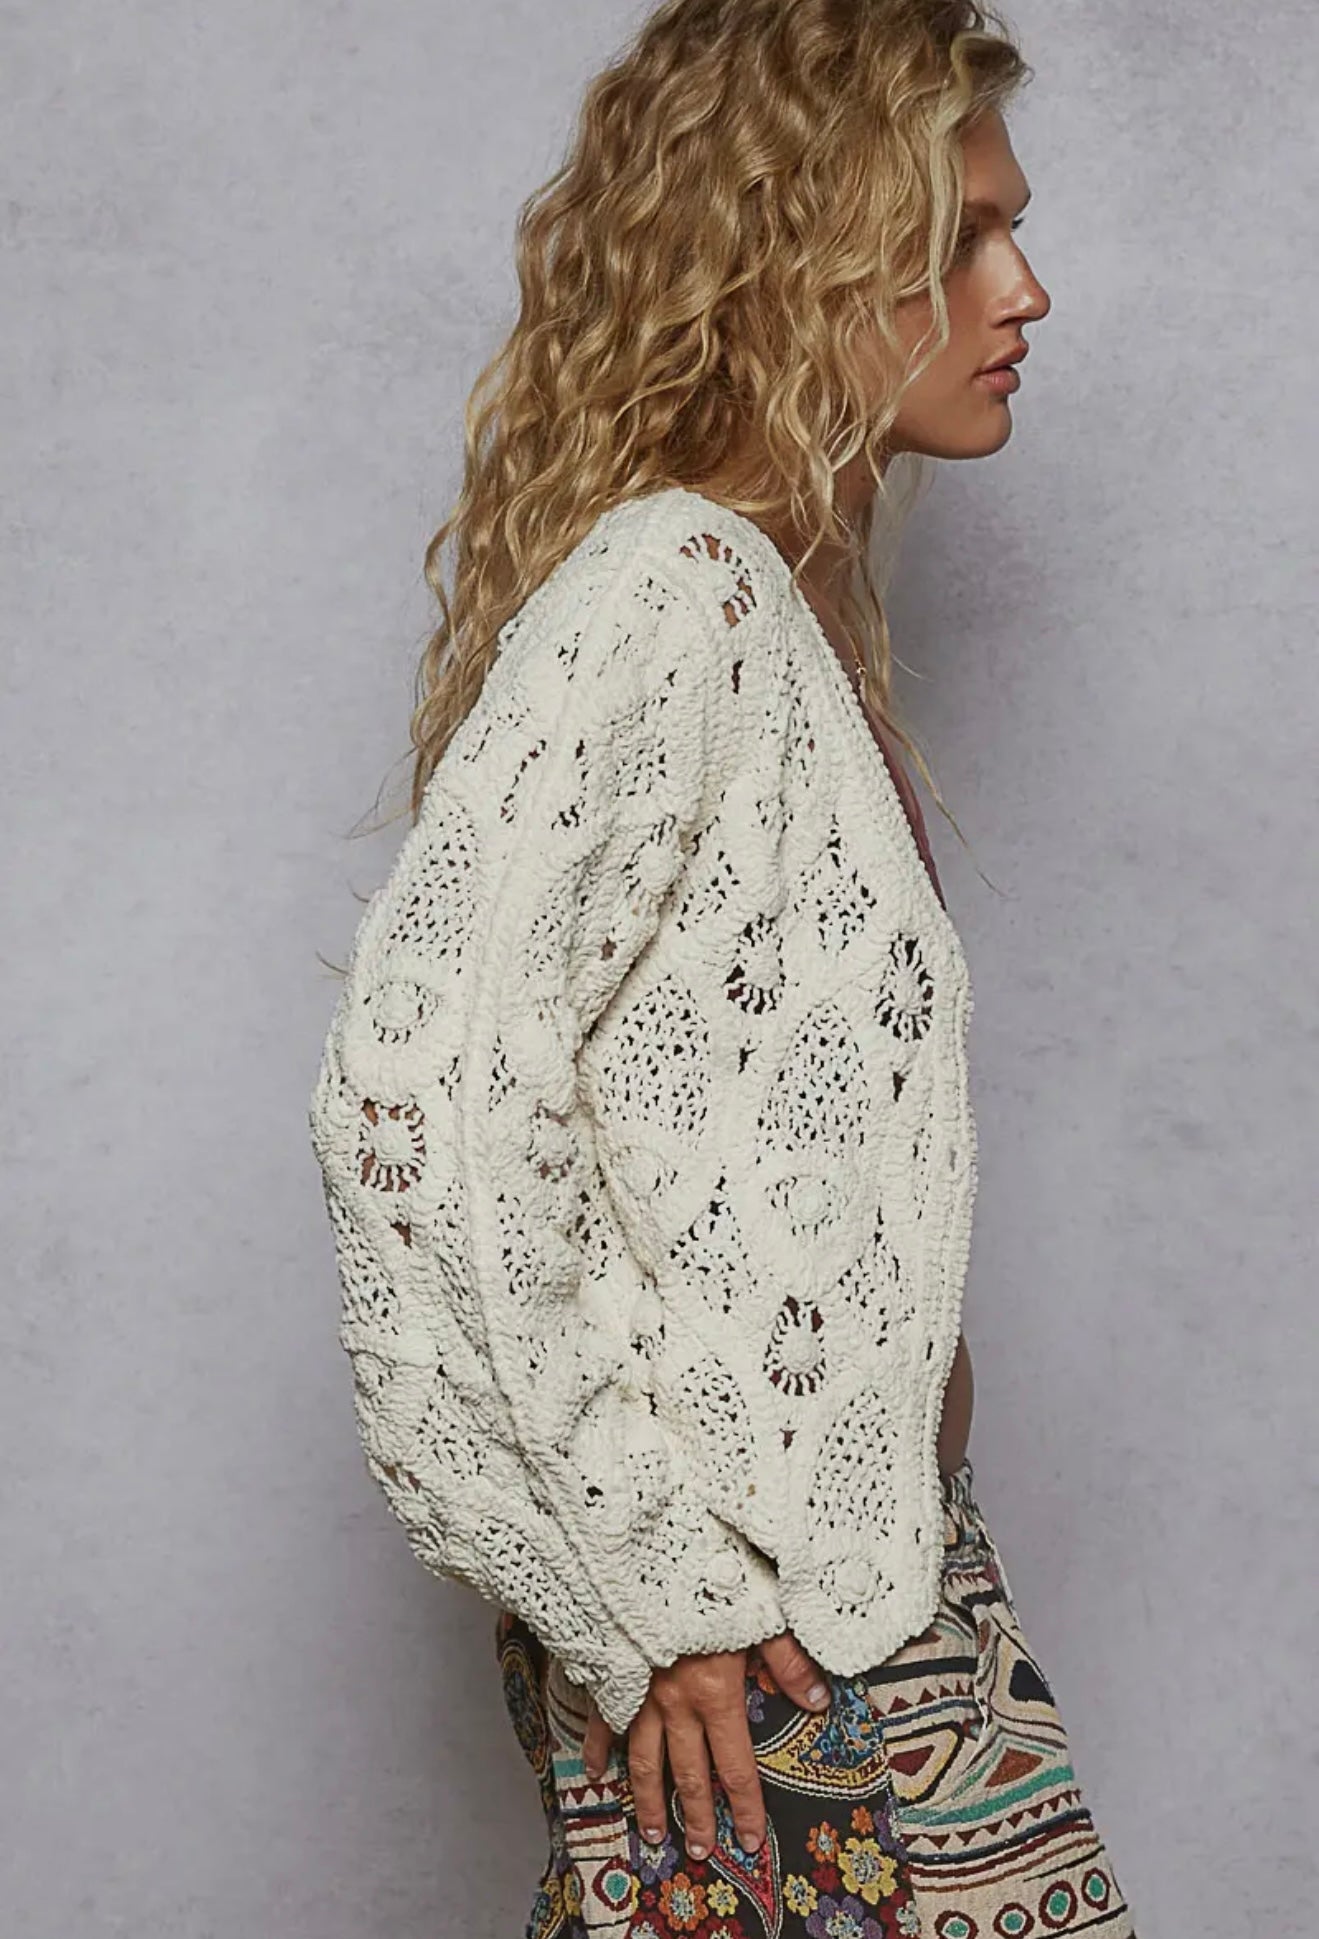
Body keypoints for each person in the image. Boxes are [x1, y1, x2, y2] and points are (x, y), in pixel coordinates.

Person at [307, 2, 1138, 1934]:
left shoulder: (771, 600)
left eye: (1012, 230)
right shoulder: (671, 597)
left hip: (854, 1580)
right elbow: (415, 1108)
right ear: (796, 264)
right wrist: (651, 1594)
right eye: (957, 241)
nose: (1023, 291)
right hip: (752, 1625)